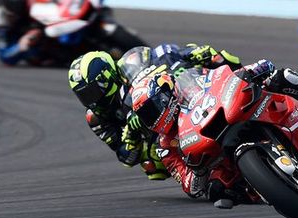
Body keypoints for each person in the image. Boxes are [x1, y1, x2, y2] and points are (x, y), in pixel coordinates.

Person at [131, 59, 298, 207]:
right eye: (146, 117)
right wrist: (197, 169)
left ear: (165, 93)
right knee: (217, 189)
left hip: (233, 111)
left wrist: (252, 70)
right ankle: (269, 189)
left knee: (286, 77)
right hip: (222, 157)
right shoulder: (166, 146)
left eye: (152, 109)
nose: (152, 118)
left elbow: (218, 78)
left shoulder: (190, 84)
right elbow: (190, 186)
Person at [68, 43, 241, 181]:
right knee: (151, 164)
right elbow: (126, 158)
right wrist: (132, 136)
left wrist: (192, 53)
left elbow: (165, 53)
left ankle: (252, 85)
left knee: (221, 58)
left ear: (106, 78)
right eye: (83, 95)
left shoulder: (131, 62)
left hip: (176, 98)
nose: (91, 100)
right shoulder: (96, 118)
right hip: (153, 134)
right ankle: (198, 178)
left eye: (92, 92)